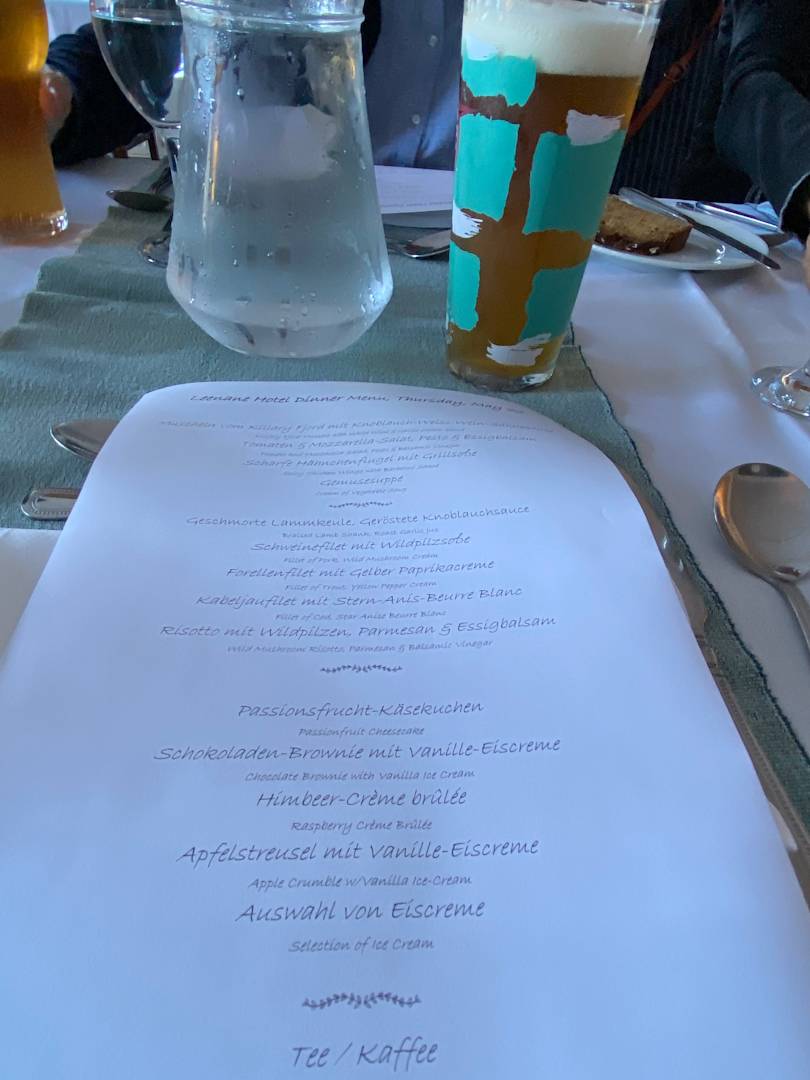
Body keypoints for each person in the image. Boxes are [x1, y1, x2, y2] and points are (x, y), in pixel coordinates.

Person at [42, 0, 810, 236]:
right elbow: (149, 27)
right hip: (297, 242)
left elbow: (761, 87)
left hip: (535, 269)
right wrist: (55, 97)